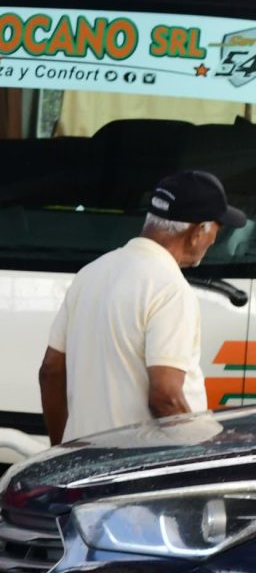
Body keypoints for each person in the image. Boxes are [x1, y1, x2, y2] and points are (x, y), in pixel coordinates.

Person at [39, 170, 242, 443]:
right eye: (217, 229)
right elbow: (165, 397)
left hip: (85, 462)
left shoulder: (92, 272)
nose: (214, 240)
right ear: (197, 232)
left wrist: (60, 449)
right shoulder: (170, 288)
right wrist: (209, 447)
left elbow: (51, 370)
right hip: (138, 469)